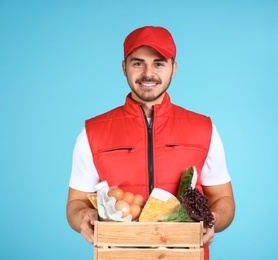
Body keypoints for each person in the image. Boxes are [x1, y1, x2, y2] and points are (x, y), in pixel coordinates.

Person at [66, 25, 235, 259]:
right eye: (138, 63)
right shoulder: (92, 132)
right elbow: (75, 204)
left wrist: (212, 220)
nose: (148, 73)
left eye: (159, 63)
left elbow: (223, 199)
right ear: (124, 67)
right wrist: (83, 216)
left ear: (173, 69)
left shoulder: (204, 129)